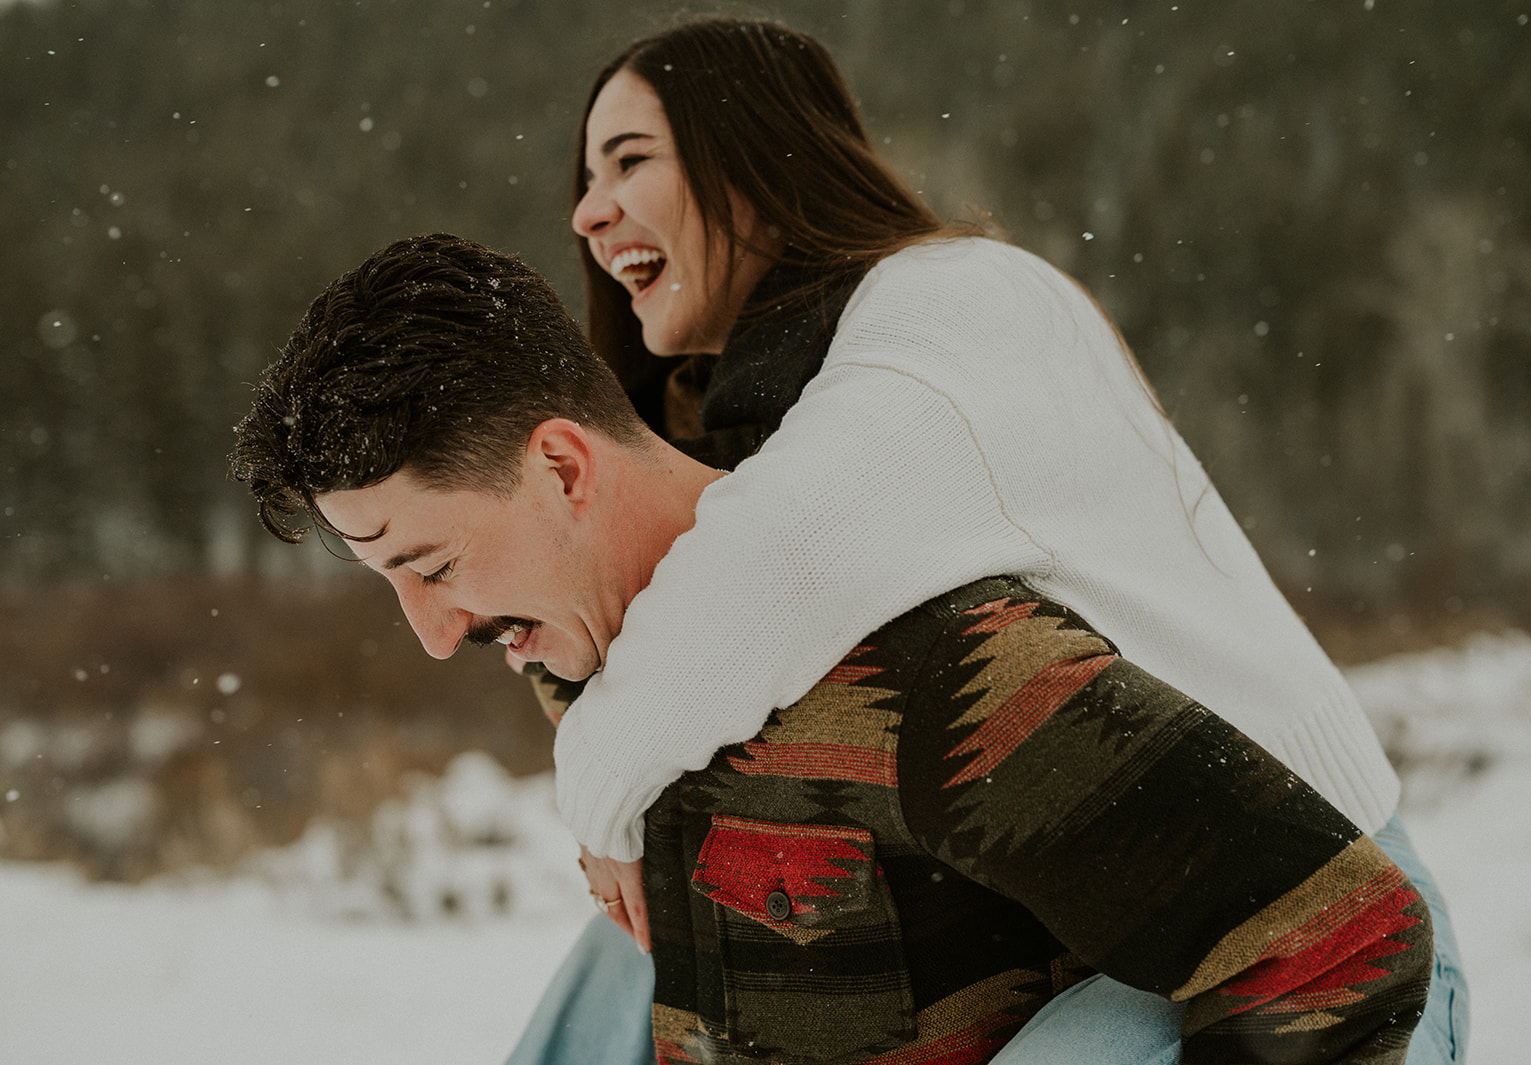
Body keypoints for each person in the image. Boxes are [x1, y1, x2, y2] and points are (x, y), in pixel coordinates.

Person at [230, 233, 1435, 1065]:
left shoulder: (938, 673)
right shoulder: (585, 674)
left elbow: (1337, 939)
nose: (433, 636)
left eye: (433, 566)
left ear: (559, 468)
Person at [535, 15, 1469, 1064]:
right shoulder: (737, 411)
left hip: (1300, 920)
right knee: (633, 951)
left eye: (630, 160)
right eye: (586, 176)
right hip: (1054, 922)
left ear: (756, 155)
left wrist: (602, 787)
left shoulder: (957, 296)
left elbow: (786, 557)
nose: (587, 210)